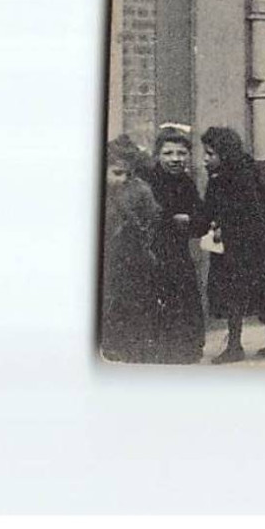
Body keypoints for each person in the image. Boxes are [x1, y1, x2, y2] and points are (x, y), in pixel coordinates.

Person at [201, 127, 265, 363]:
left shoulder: (241, 179)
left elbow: (255, 216)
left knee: (239, 296)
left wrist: (225, 228)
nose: (205, 159)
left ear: (224, 155)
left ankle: (236, 346)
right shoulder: (222, 177)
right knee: (252, 296)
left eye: (210, 154)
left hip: (246, 251)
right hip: (232, 249)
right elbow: (212, 210)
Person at [139, 123, 208, 364]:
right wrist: (173, 219)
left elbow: (200, 218)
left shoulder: (186, 183)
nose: (176, 159)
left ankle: (187, 349)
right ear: (157, 156)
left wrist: (191, 220)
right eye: (168, 153)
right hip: (151, 253)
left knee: (185, 296)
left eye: (181, 153)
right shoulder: (148, 182)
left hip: (178, 253)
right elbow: (147, 216)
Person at [100, 136, 165, 362]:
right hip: (109, 256)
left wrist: (143, 236)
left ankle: (136, 348)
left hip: (133, 255)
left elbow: (153, 216)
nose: (123, 179)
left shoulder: (140, 190)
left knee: (135, 303)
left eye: (128, 174)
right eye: (117, 173)